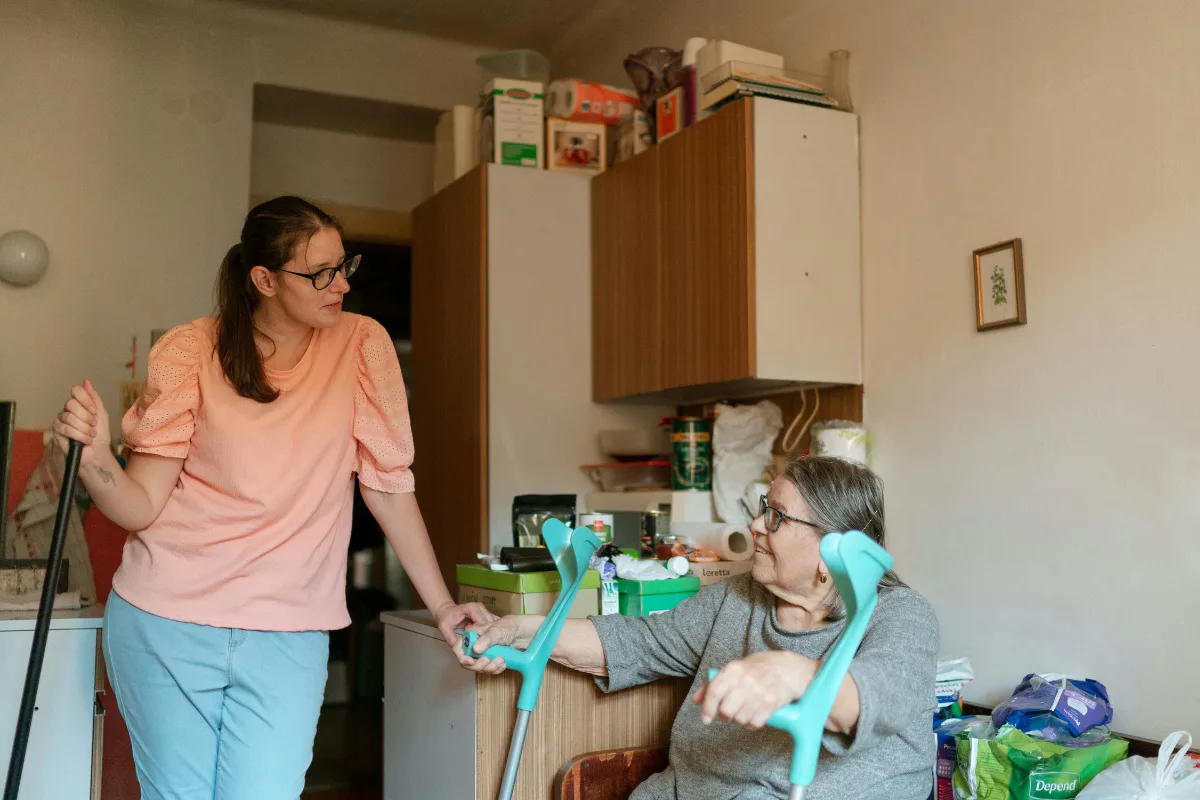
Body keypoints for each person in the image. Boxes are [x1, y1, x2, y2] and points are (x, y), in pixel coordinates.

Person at [52, 196, 492, 800]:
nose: (340, 285)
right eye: (319, 274)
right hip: (167, 622)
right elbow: (140, 507)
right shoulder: (190, 351)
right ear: (263, 279)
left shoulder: (363, 345)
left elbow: (389, 489)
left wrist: (442, 606)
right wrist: (98, 458)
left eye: (345, 266)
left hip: (289, 631)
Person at [462, 455, 938, 800]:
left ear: (830, 554)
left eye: (776, 516)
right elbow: (637, 643)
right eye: (761, 507)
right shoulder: (737, 598)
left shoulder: (898, 616)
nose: (754, 525)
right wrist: (523, 629)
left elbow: (883, 695)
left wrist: (793, 674)